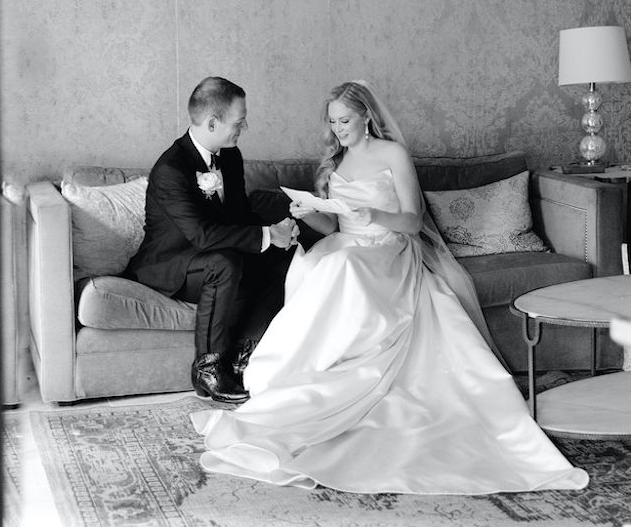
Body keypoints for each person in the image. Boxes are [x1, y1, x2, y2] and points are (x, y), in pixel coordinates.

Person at [191, 80, 589, 494]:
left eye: (345, 120)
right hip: (345, 245)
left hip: (387, 250)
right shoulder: (335, 162)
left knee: (342, 265)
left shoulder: (393, 154)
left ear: (367, 116)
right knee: (316, 263)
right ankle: (303, 376)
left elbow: (413, 221)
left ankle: (348, 370)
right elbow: (333, 225)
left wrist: (375, 214)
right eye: (332, 122)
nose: (338, 129)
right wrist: (307, 210)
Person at [124, 77, 298, 404]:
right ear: (213, 122)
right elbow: (201, 235)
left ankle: (243, 355)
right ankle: (208, 369)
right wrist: (264, 235)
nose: (244, 126)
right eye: (239, 120)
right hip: (170, 262)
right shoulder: (171, 169)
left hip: (213, 254)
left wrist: (278, 233)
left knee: (285, 254)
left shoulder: (229, 157)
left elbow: (240, 214)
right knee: (224, 262)